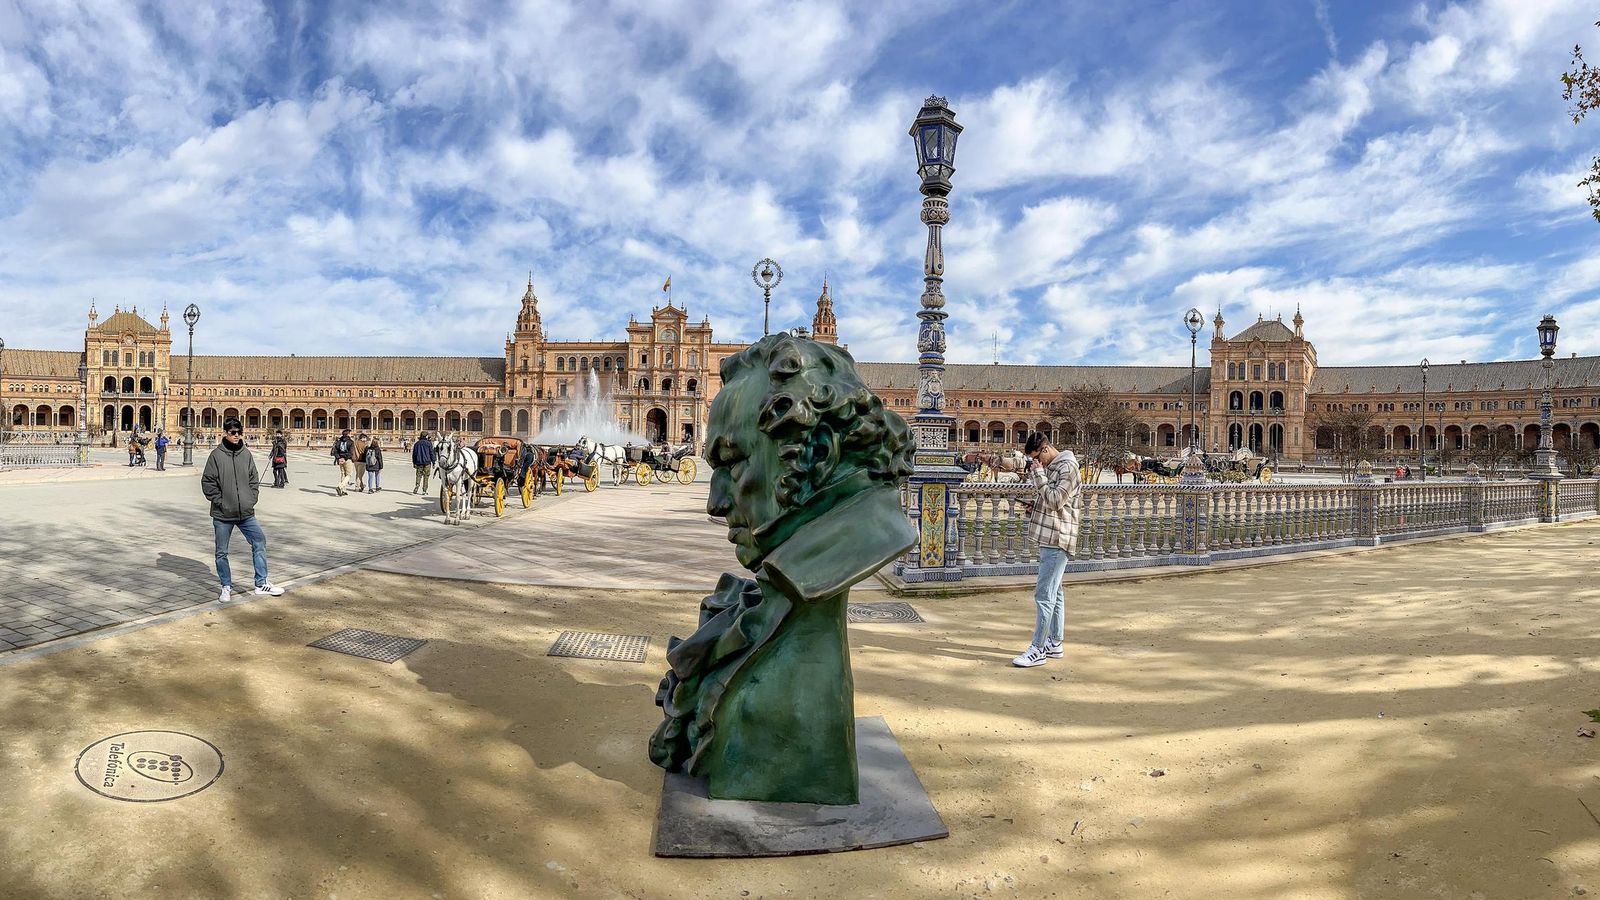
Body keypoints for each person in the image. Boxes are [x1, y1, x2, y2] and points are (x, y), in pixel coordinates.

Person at [1013, 432, 1082, 668]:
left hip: (1058, 537)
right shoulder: (1054, 467)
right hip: (1050, 535)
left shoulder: (1068, 468)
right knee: (1056, 593)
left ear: (1044, 450)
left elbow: (1055, 500)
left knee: (1044, 595)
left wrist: (1039, 475)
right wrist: (1036, 505)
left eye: (1036, 459)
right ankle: (1055, 642)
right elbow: (1051, 501)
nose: (1036, 464)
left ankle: (1038, 649)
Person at [201, 417, 284, 603]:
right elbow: (207, 482)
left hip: (245, 513)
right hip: (223, 514)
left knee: (259, 541)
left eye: (239, 433)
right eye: (233, 433)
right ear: (225, 433)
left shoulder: (246, 454)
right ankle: (226, 586)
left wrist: (251, 499)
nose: (237, 436)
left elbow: (254, 478)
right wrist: (221, 501)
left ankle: (261, 583)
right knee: (221, 552)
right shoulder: (216, 455)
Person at [331, 428, 355, 496]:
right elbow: (351, 452)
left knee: (343, 474)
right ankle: (340, 487)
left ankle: (343, 490)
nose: (351, 434)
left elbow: (335, 451)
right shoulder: (350, 442)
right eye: (350, 433)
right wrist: (345, 458)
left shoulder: (339, 441)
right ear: (348, 434)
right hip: (347, 460)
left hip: (340, 459)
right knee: (348, 475)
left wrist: (338, 458)